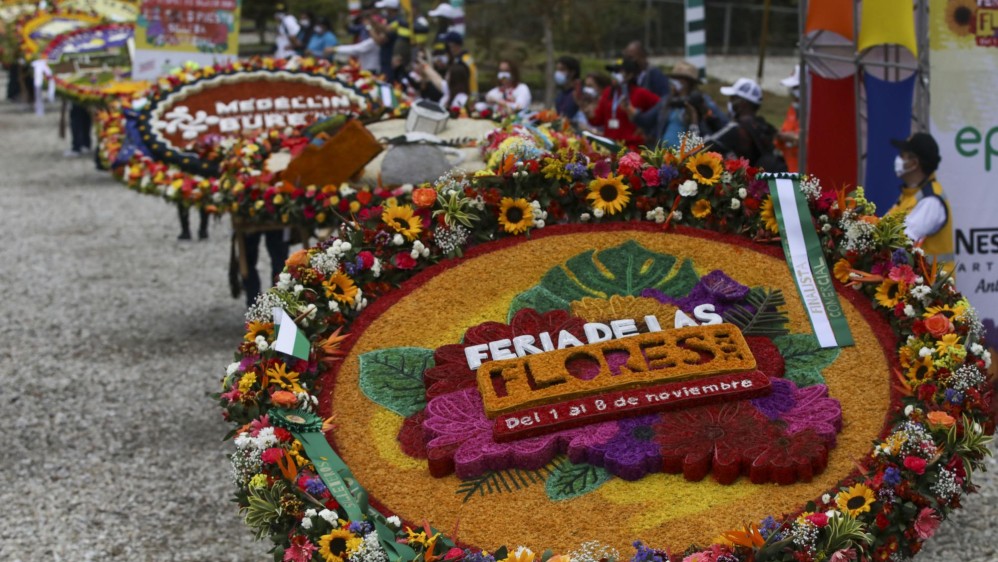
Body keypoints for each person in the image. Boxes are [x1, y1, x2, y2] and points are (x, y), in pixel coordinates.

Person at [887, 132, 954, 273]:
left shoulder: (931, 201)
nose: (898, 159)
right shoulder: (910, 194)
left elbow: (899, 241)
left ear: (914, 163)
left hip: (933, 289)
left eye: (902, 155)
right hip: (918, 286)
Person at [632, 60, 726, 148]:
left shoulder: (702, 101)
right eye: (674, 78)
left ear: (688, 82)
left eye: (679, 79)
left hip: (689, 156)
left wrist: (701, 114)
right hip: (665, 156)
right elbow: (647, 120)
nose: (674, 82)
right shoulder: (667, 100)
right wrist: (632, 112)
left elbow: (721, 123)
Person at [706, 77, 784, 170]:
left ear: (743, 103)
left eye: (732, 98)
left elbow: (705, 146)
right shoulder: (764, 126)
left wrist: (694, 122)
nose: (730, 102)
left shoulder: (737, 128)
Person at [586, 58, 660, 149]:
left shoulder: (640, 93)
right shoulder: (608, 92)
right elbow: (598, 120)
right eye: (613, 71)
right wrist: (588, 113)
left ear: (630, 75)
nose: (614, 75)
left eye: (618, 71)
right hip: (609, 146)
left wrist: (646, 127)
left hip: (632, 147)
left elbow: (662, 107)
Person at [775, 65, 801, 172]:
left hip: (808, 177)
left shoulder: (818, 113)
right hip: (789, 169)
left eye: (795, 88)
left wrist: (794, 138)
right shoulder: (793, 108)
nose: (792, 92)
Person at [442, 31, 477, 99]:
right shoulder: (456, 59)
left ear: (455, 46)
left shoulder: (465, 60)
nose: (449, 49)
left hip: (465, 99)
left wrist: (472, 99)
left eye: (450, 46)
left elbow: (472, 81)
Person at [554, 55, 581, 120]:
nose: (558, 73)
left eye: (562, 69)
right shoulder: (561, 93)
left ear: (572, 72)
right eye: (557, 69)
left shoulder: (578, 92)